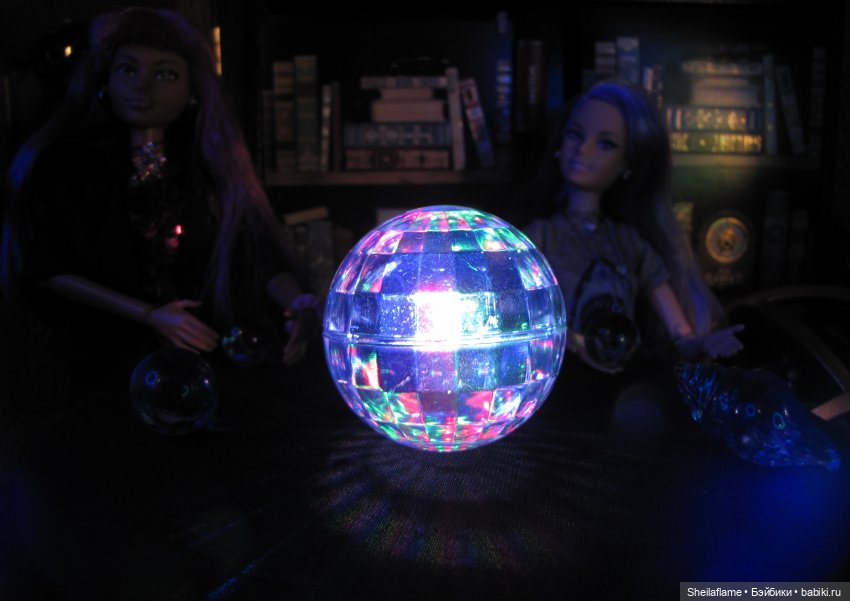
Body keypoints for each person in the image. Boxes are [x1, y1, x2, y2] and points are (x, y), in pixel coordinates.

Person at [0, 7, 317, 411]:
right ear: (105, 79)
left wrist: (298, 304)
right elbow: (53, 270)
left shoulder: (209, 169)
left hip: (206, 364)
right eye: (127, 70)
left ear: (192, 89)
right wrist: (149, 315)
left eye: (165, 74)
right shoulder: (75, 167)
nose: (142, 86)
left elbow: (258, 254)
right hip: (102, 366)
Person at [519, 81, 743, 435]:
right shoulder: (540, 236)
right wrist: (572, 342)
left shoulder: (629, 243)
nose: (583, 150)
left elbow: (679, 332)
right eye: (575, 134)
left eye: (605, 143)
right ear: (559, 144)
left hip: (622, 386)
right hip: (556, 388)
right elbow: (517, 317)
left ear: (628, 163)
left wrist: (700, 343)